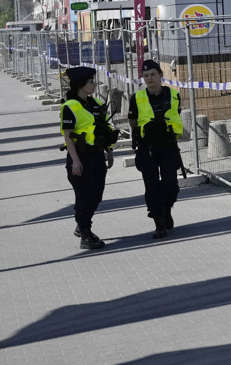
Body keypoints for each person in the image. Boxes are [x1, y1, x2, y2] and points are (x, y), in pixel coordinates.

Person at [60, 66, 117, 250]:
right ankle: (85, 233)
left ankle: (82, 223)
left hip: (97, 156)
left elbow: (103, 129)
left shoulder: (95, 104)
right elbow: (68, 136)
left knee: (97, 195)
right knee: (86, 196)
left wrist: (108, 150)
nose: (94, 84)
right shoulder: (69, 107)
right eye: (91, 82)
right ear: (81, 85)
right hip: (80, 157)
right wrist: (75, 160)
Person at [128, 59, 184, 239]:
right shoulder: (136, 98)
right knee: (151, 186)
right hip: (148, 146)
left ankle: (167, 208)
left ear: (160, 75)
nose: (149, 78)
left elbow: (177, 115)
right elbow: (133, 121)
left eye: (153, 74)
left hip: (168, 145)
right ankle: (159, 222)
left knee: (171, 185)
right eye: (145, 76)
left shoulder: (174, 95)